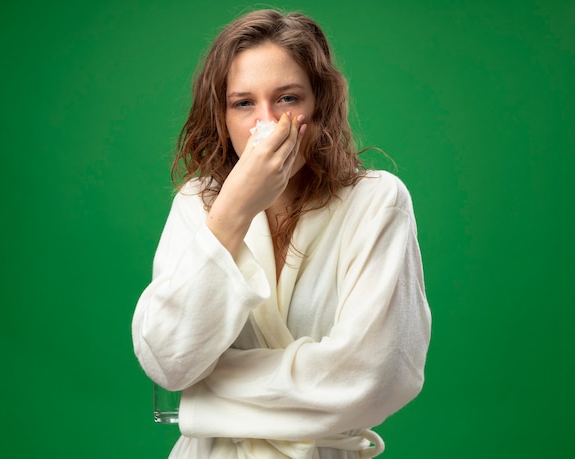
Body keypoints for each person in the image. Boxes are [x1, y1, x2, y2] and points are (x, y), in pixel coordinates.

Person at [132, 8, 431, 459]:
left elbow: (374, 378)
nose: (266, 124)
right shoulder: (197, 206)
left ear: (319, 106)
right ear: (222, 115)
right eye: (244, 103)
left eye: (287, 99)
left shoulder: (377, 203)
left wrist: (206, 396)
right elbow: (168, 362)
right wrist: (233, 211)